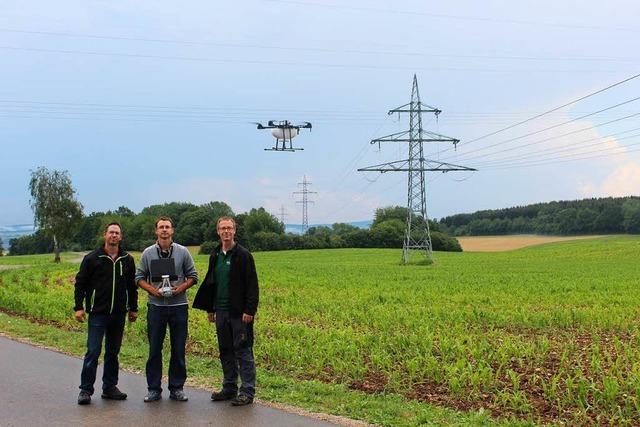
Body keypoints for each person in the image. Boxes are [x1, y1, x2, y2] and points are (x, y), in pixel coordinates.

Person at [193, 216, 259, 406]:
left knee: (243, 351)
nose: (226, 231)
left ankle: (247, 391)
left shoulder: (243, 255)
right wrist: (210, 308)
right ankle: (229, 387)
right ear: (218, 231)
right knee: (225, 350)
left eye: (229, 228)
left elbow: (252, 285)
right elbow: (211, 282)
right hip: (220, 310)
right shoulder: (215, 255)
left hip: (239, 313)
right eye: (223, 228)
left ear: (234, 231)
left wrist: (249, 310)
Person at [74, 222, 138, 405]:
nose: (114, 236)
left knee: (113, 352)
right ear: (105, 235)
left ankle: (109, 387)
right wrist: (78, 307)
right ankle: (85, 390)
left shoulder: (127, 259)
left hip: (118, 314)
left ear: (121, 237)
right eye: (111, 232)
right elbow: (80, 284)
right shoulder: (92, 258)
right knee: (93, 351)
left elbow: (131, 287)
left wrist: (133, 308)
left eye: (117, 233)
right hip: (97, 313)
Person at [136, 216, 198, 402]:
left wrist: (179, 289)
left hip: (179, 306)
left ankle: (176, 388)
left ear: (172, 231)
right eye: (161, 227)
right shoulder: (147, 253)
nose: (164, 230)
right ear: (156, 231)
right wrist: (153, 291)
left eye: (167, 227)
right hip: (156, 307)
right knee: (154, 349)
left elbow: (193, 276)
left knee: (178, 349)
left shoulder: (183, 252)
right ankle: (154, 389)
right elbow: (139, 278)